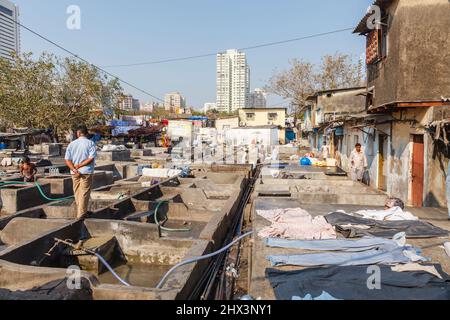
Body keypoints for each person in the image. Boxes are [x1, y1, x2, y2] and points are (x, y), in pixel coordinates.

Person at [64, 125, 97, 219]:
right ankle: (81, 214)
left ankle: (81, 211)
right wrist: (79, 166)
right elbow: (91, 158)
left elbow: (67, 160)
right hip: (86, 171)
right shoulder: (90, 143)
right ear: (85, 133)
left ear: (78, 133)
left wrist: (74, 169)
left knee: (77, 192)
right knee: (84, 193)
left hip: (74, 172)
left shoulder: (72, 144)